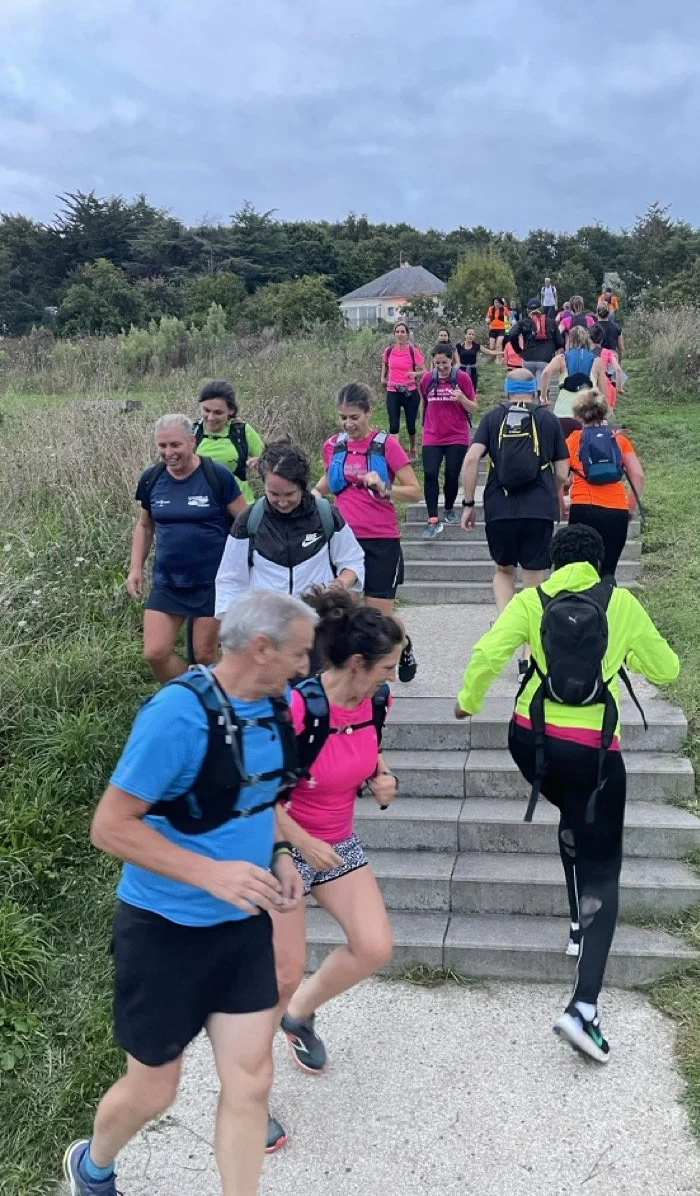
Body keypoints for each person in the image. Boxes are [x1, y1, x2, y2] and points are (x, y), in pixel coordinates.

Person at [63, 589, 316, 1196]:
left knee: (251, 1082)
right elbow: (110, 826)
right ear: (261, 649)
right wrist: (211, 873)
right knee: (155, 1089)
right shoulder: (177, 715)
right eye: (300, 654)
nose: (306, 668)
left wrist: (278, 853)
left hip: (241, 925)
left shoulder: (273, 709)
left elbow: (258, 800)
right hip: (163, 931)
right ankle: (92, 1165)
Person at [454, 525, 680, 1062]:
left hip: (529, 741)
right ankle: (584, 1008)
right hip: (595, 751)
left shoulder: (533, 599)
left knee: (572, 812)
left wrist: (468, 700)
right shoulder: (620, 602)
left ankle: (577, 924)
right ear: (600, 563)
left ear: (554, 562)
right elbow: (666, 668)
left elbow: (489, 650)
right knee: (604, 866)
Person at [270, 589, 402, 1095]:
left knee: (373, 946)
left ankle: (299, 1017)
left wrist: (382, 776)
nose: (392, 677)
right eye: (387, 668)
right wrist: (301, 841)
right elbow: (258, 793)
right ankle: (244, 1093)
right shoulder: (300, 707)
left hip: (336, 842)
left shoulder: (376, 701)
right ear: (356, 663)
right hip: (282, 848)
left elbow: (369, 750)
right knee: (280, 976)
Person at [127, 414, 247, 682]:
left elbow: (245, 524)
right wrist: (136, 568)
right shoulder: (152, 479)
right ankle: (190, 696)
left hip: (212, 582)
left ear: (192, 442)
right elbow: (145, 526)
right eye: (162, 446)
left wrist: (246, 570)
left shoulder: (216, 476)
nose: (168, 453)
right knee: (155, 653)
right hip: (168, 581)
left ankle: (220, 708)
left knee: (204, 655)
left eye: (175, 445)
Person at [315, 382, 421, 681]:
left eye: (354, 417)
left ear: (368, 413)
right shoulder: (334, 445)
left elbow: (415, 491)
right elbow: (328, 481)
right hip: (342, 540)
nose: (348, 424)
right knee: (340, 614)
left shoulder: (386, 445)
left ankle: (403, 643)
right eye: (343, 417)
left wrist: (386, 488)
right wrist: (313, 494)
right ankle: (356, 675)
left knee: (379, 619)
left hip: (381, 540)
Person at [459, 369, 569, 645]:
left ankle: (509, 627)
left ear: (507, 391)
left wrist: (469, 503)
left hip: (500, 507)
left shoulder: (493, 417)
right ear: (534, 391)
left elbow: (472, 459)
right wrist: (552, 487)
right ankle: (529, 651)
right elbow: (562, 471)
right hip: (539, 508)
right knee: (534, 580)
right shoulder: (547, 418)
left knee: (503, 570)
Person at [215, 442, 365, 614]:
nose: (282, 502)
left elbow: (353, 560)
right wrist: (231, 627)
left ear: (302, 487)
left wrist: (340, 584)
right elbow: (230, 579)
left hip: (317, 622)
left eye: (289, 494)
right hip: (266, 625)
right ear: (263, 485)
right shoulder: (248, 521)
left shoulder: (327, 515)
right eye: (274, 494)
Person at [566, 390, 644, 577]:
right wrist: (630, 507)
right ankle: (607, 603)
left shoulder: (573, 440)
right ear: (605, 411)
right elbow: (638, 476)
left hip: (583, 508)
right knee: (608, 572)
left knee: (580, 572)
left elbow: (561, 475)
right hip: (616, 510)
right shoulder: (618, 439)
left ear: (578, 415)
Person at [419, 342, 478, 538]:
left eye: (444, 362)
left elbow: (474, 408)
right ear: (433, 362)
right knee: (430, 474)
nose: (442, 367)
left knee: (452, 475)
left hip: (456, 435)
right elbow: (424, 403)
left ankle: (449, 508)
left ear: (451, 359)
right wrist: (423, 427)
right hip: (432, 435)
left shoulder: (462, 378)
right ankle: (432, 519)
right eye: (437, 363)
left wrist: (462, 399)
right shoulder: (427, 379)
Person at [194, 380, 265, 505]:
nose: (210, 417)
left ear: (231, 410)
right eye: (206, 410)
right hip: (203, 505)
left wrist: (260, 461)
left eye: (218, 412)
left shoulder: (241, 431)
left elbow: (269, 460)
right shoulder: (193, 432)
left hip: (241, 505)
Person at [539, 326, 606, 419]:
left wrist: (543, 397)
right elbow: (603, 391)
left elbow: (546, 373)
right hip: (588, 412)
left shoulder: (561, 358)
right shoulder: (597, 361)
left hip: (563, 411)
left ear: (569, 340)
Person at [381, 321, 425, 460]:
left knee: (411, 425)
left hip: (409, 391)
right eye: (397, 332)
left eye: (402, 332)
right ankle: (397, 455)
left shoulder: (413, 351)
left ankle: (412, 447)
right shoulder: (389, 351)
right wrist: (382, 377)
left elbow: (424, 371)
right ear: (394, 334)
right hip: (393, 390)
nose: (400, 334)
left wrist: (415, 374)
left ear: (407, 334)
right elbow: (385, 364)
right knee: (394, 425)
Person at [505, 300, 556, 391]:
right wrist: (551, 350)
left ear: (528, 310)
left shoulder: (523, 322)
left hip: (528, 358)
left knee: (529, 387)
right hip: (544, 359)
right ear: (541, 309)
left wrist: (519, 351)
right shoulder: (551, 322)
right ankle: (542, 401)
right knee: (542, 387)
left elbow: (512, 335)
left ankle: (528, 402)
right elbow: (560, 341)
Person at [457, 325, 481, 390]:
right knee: (461, 388)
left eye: (473, 334)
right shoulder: (459, 346)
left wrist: (501, 352)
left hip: (473, 371)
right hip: (461, 370)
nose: (471, 336)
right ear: (465, 335)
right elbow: (454, 357)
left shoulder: (476, 346)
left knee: (473, 389)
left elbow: (489, 352)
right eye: (469, 334)